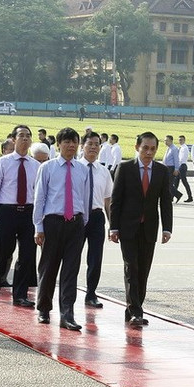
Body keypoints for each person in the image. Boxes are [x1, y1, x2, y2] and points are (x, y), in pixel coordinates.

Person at [109, 131, 173, 327]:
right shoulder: (125, 168)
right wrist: (113, 227)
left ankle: (133, 309)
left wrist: (167, 228)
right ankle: (136, 310)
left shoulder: (162, 171)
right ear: (137, 147)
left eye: (153, 149)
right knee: (131, 267)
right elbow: (116, 200)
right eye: (145, 148)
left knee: (143, 270)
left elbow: (166, 202)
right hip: (128, 228)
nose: (149, 152)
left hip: (149, 229)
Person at [32, 127, 90, 329]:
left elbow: (85, 197)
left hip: (75, 224)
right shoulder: (47, 168)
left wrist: (83, 222)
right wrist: (38, 226)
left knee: (70, 271)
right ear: (58, 144)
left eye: (74, 142)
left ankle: (67, 314)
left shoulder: (82, 169)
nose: (71, 145)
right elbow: (39, 198)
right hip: (53, 223)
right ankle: (44, 309)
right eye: (66, 142)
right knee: (48, 267)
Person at [0, 125, 38, 307]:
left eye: (28, 136)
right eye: (21, 136)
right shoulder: (2, 163)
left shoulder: (36, 166)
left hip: (29, 213)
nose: (25, 139)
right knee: (4, 251)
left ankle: (20, 294)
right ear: (13, 140)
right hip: (8, 211)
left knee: (27, 255)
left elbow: (39, 193)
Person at [79, 131, 113, 309]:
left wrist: (112, 224)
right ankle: (67, 291)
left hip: (96, 216)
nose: (93, 147)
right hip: (77, 217)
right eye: (89, 144)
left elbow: (108, 200)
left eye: (96, 144)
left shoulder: (104, 172)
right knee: (72, 256)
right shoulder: (75, 168)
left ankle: (91, 293)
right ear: (82, 146)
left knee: (95, 257)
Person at [172, 135, 193, 202]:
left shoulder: (184, 148)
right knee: (176, 182)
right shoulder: (181, 147)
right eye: (179, 140)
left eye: (181, 140)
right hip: (180, 166)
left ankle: (190, 197)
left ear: (184, 140)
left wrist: (177, 167)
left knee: (184, 182)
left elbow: (181, 159)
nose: (180, 141)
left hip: (182, 166)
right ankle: (172, 196)